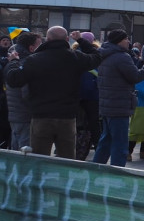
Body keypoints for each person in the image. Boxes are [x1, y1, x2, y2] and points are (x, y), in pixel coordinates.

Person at [5, 27, 103, 158]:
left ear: (47, 39)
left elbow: (14, 80)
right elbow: (97, 57)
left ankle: (40, 177)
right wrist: (81, 40)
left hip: (41, 116)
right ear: (67, 39)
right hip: (67, 117)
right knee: (67, 158)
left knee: (38, 158)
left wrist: (13, 62)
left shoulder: (34, 60)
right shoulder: (75, 57)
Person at [93, 30, 144, 166]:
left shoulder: (103, 54)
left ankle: (96, 168)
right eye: (126, 39)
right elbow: (136, 76)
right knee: (120, 143)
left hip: (107, 104)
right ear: (119, 40)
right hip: (119, 105)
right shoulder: (121, 57)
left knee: (106, 140)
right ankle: (118, 174)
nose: (128, 42)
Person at [3, 32, 42, 152]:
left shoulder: (13, 62)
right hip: (25, 115)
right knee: (25, 152)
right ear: (31, 47)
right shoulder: (26, 63)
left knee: (16, 149)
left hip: (15, 113)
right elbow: (27, 93)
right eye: (39, 45)